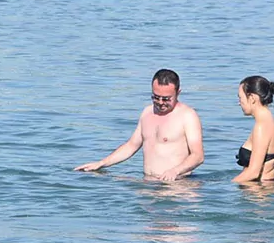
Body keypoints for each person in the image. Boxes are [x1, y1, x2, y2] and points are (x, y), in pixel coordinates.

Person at [74, 69, 204, 181]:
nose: (160, 102)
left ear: (178, 93)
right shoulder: (147, 112)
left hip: (178, 186)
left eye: (166, 99)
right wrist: (101, 163)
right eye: (156, 97)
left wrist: (175, 171)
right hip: (148, 185)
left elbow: (198, 156)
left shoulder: (187, 116)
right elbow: (131, 145)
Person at [232, 76, 274, 183]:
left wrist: (226, 187)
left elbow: (253, 172)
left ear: (252, 98)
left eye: (240, 98)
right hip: (267, 188)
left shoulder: (262, 126)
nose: (239, 103)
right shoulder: (270, 121)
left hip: (258, 193)